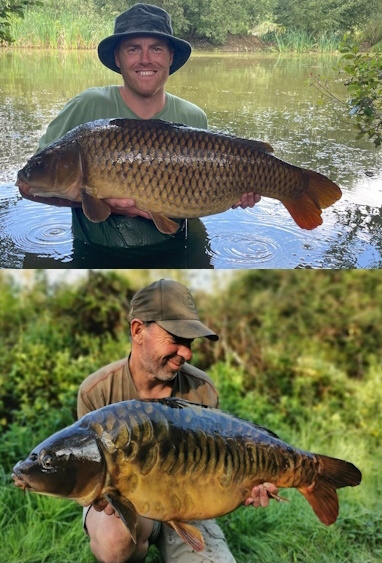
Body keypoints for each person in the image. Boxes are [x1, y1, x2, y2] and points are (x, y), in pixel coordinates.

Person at [19, 3, 260, 262]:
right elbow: (27, 186)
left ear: (170, 57)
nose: (145, 58)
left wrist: (236, 190)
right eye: (134, 49)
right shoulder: (87, 106)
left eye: (156, 48)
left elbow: (201, 191)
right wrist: (100, 204)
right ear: (118, 58)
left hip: (175, 251)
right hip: (95, 254)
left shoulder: (193, 117)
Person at [77, 279, 278, 563]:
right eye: (176, 340)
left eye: (190, 342)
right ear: (138, 330)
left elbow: (218, 473)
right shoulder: (96, 391)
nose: (187, 353)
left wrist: (247, 485)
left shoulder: (201, 389)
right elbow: (88, 475)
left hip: (188, 506)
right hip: (125, 504)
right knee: (114, 540)